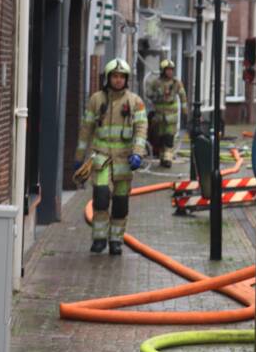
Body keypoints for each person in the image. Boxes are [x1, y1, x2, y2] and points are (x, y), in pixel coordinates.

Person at [74, 58, 148, 255]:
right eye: (114, 76)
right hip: (101, 158)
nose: (117, 80)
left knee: (121, 203)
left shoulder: (135, 102)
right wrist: (79, 157)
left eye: (121, 77)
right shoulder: (97, 100)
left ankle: (116, 240)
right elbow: (86, 129)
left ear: (126, 79)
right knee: (101, 197)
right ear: (108, 78)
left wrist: (138, 154)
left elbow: (141, 129)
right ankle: (99, 239)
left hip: (125, 160)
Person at [146, 58, 188, 168]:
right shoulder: (156, 82)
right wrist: (158, 94)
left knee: (169, 137)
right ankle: (162, 157)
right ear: (162, 70)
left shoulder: (176, 83)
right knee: (160, 138)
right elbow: (148, 94)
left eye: (171, 70)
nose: (170, 72)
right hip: (159, 116)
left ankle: (168, 159)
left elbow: (183, 95)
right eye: (167, 70)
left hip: (171, 116)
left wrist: (185, 111)